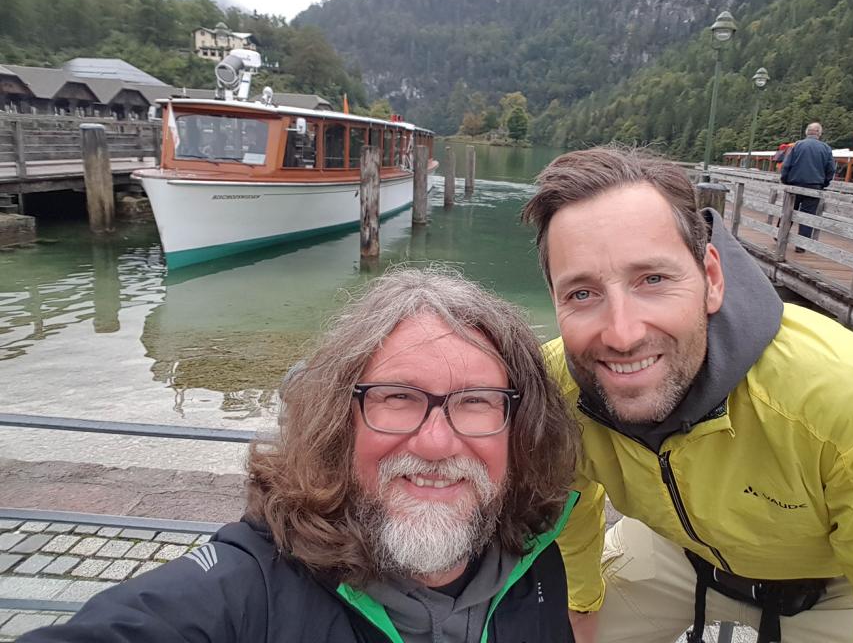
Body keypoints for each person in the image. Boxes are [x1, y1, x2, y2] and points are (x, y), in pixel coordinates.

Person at [521, 146, 853, 643]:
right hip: (676, 556)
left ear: (711, 278)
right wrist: (580, 605)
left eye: (652, 279)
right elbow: (564, 506)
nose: (622, 334)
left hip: (831, 585)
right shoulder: (556, 387)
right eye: (582, 294)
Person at [20, 268, 579, 643]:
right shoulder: (249, 594)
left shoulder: (534, 563)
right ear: (339, 420)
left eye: (476, 402)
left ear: (519, 427)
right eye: (397, 398)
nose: (435, 443)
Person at [780, 122, 836, 250]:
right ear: (819, 133)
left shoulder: (797, 145)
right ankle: (801, 245)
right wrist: (824, 183)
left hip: (794, 184)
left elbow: (786, 165)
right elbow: (831, 169)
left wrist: (785, 180)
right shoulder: (826, 148)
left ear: (807, 132)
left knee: (788, 211)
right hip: (814, 186)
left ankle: (780, 236)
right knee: (808, 216)